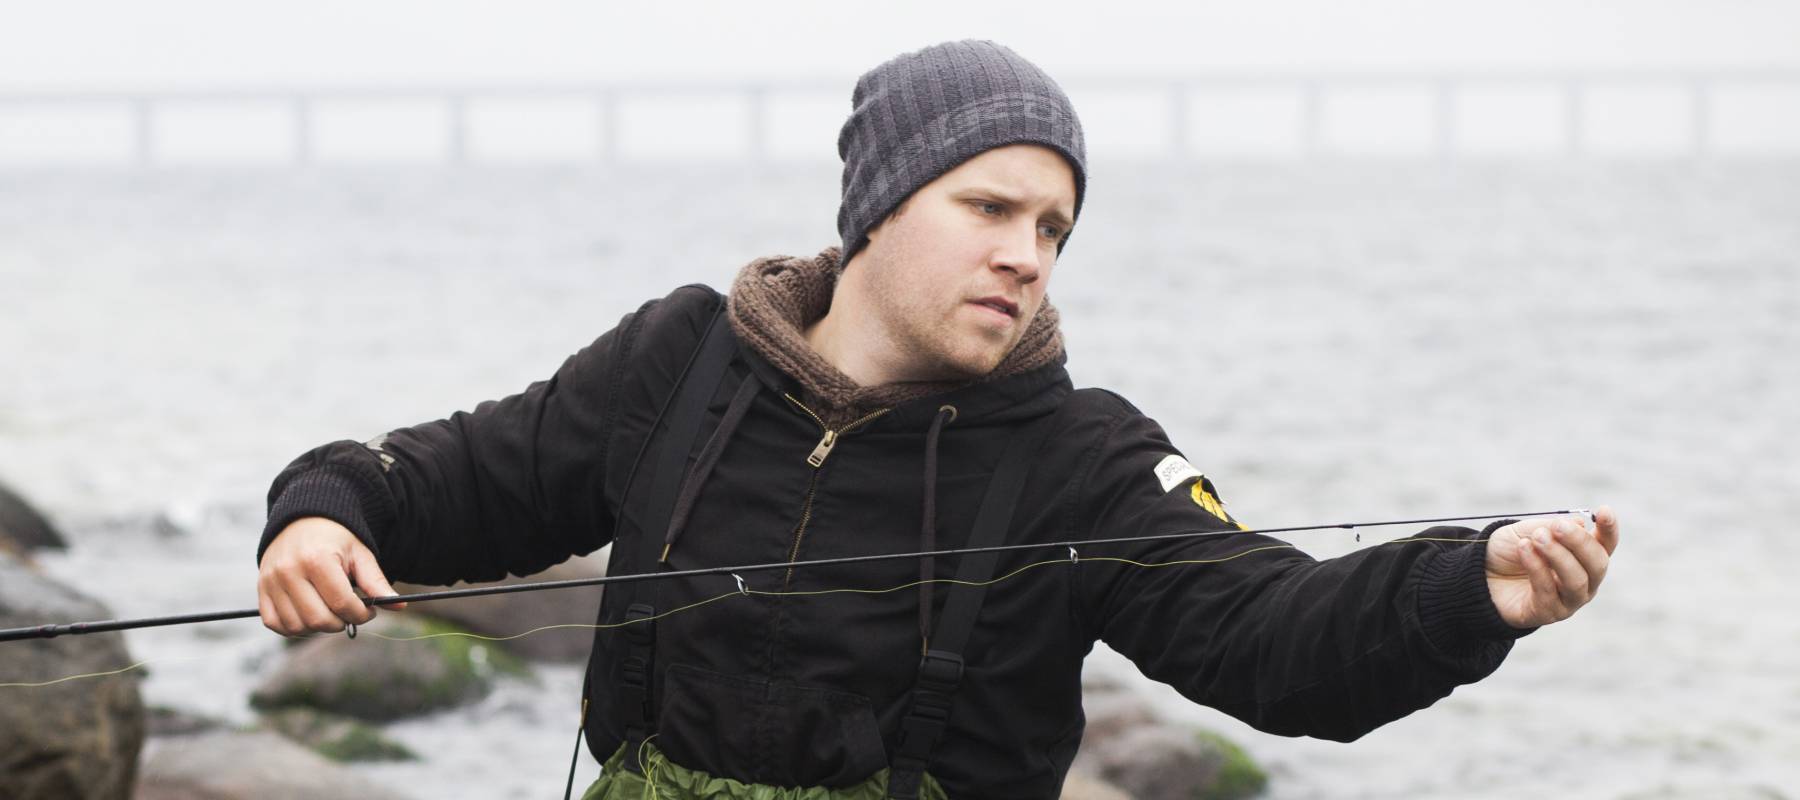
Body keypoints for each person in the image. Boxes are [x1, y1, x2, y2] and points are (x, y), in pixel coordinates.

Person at [254, 39, 1620, 799]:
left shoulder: (1087, 457)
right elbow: (458, 480)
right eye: (990, 209)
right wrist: (324, 508)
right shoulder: (684, 359)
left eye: (1054, 227)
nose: (1028, 253)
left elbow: (1276, 644)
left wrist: (1464, 590)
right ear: (878, 208)